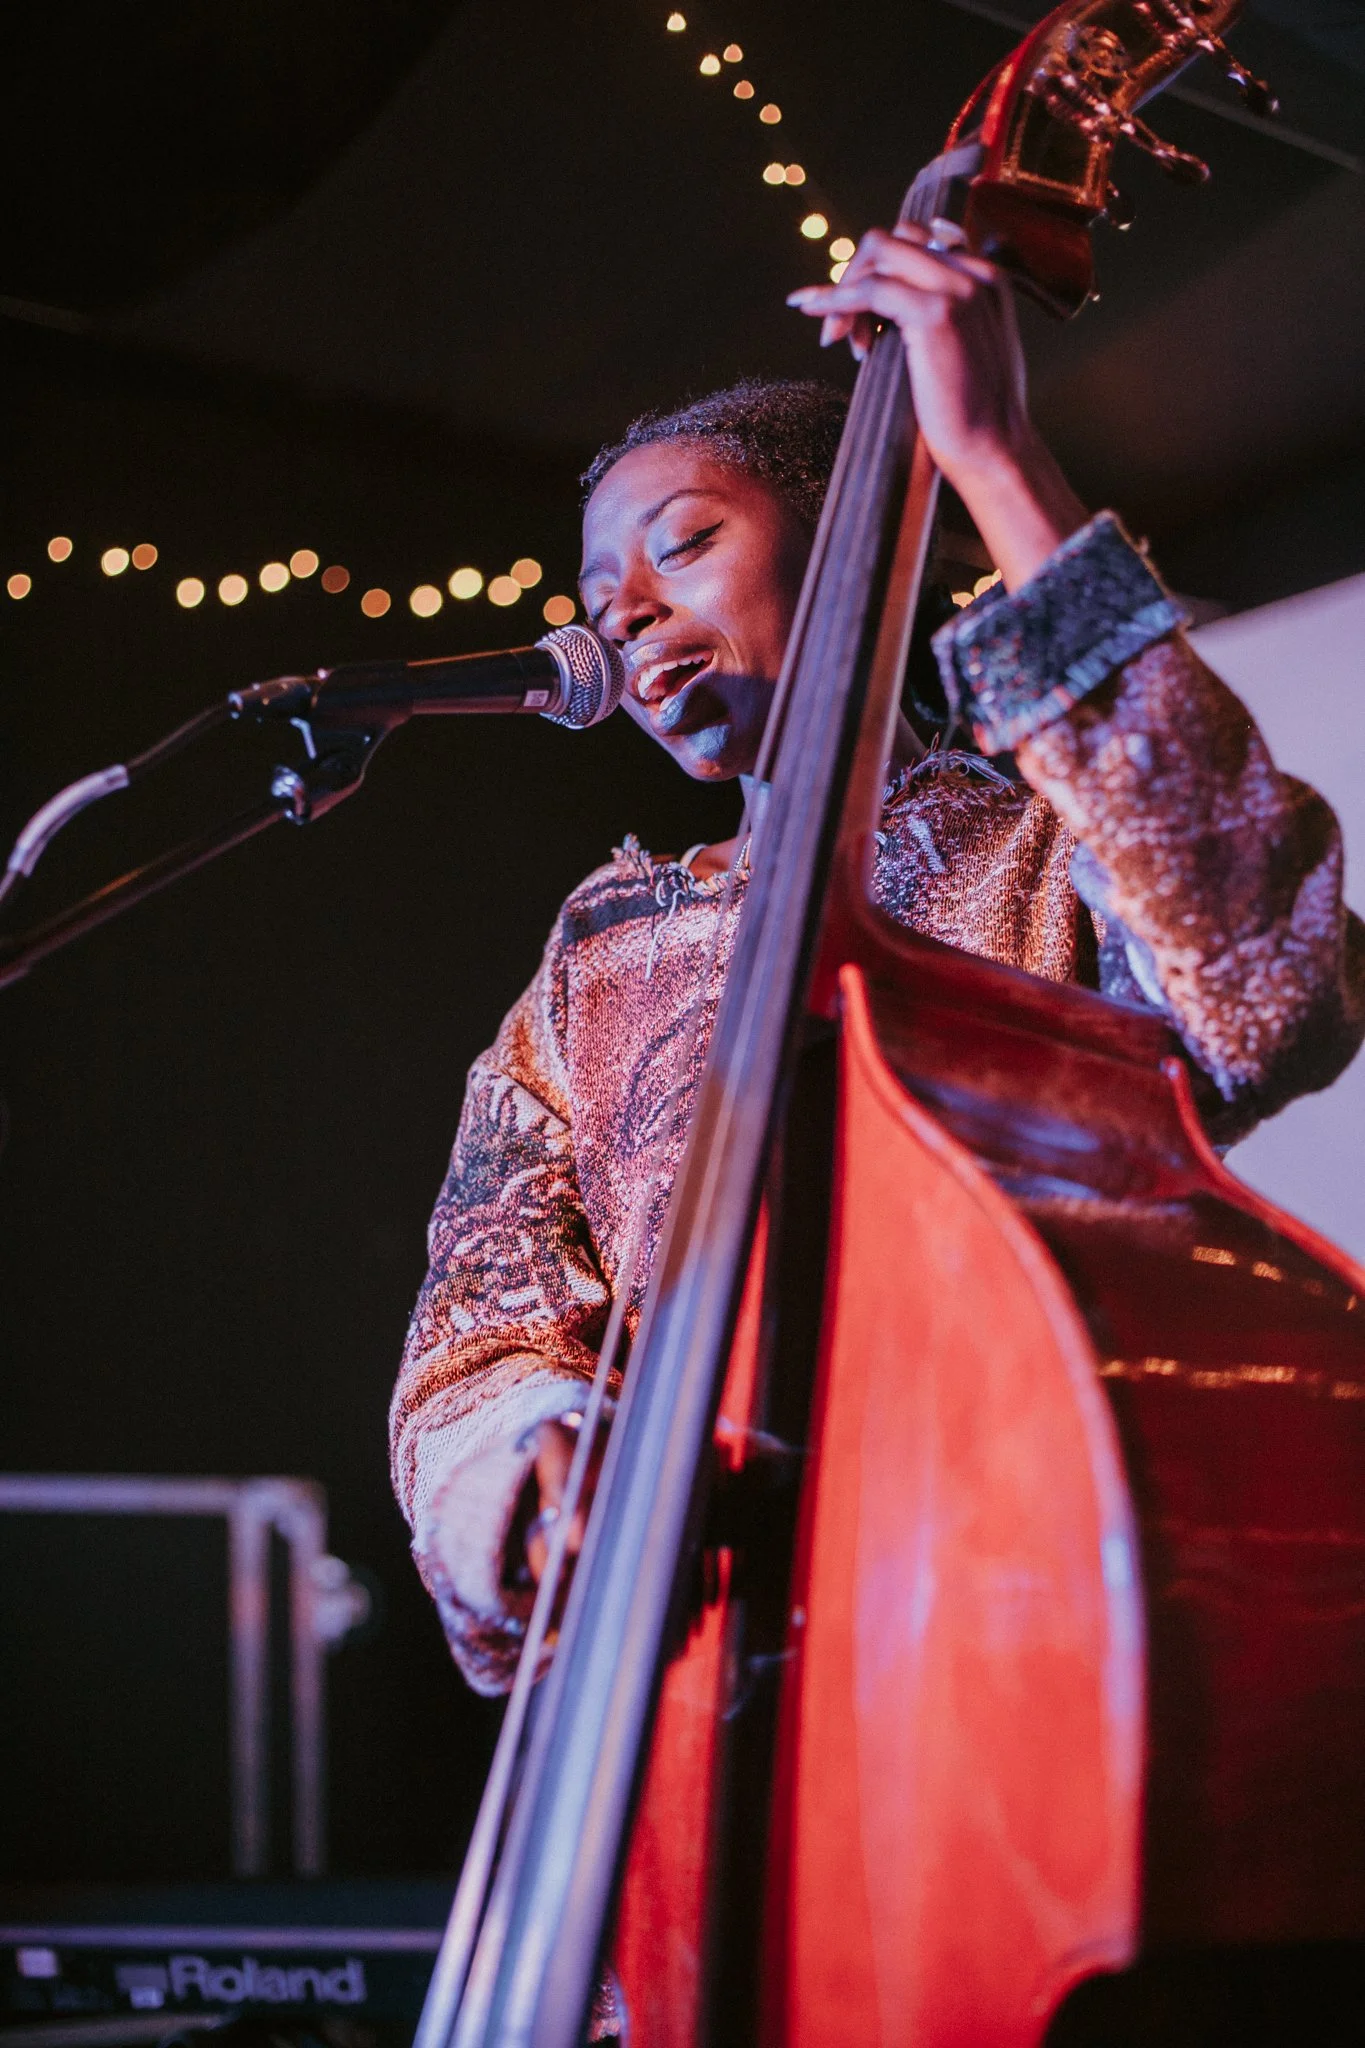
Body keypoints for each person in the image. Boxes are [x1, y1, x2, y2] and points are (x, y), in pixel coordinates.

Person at [390, 223, 1365, 1695]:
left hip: (1015, 1601)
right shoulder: (602, 952)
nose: (626, 610)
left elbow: (1269, 977)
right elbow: (478, 1324)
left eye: (686, 543)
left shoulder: (1049, 848)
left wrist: (991, 455)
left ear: (847, 544)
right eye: (600, 595)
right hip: (704, 1659)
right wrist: (527, 1459)